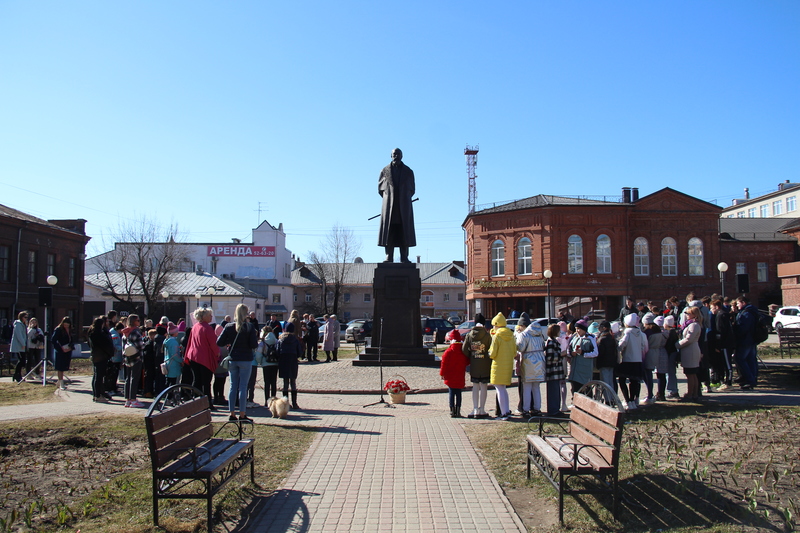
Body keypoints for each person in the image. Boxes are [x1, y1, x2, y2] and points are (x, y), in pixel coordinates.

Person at [217, 304, 259, 422]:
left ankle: (231, 413)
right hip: (245, 359)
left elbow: (219, 342)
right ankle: (242, 413)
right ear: (246, 314)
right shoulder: (249, 327)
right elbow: (253, 345)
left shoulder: (229, 327)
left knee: (232, 386)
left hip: (233, 359)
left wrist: (228, 343)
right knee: (243, 387)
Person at [378, 148, 416, 263]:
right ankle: (389, 255)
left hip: (404, 207)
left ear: (402, 156)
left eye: (398, 154)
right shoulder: (384, 171)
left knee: (404, 231)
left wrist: (403, 198)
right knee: (390, 231)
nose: (396, 156)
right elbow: (380, 190)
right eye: (394, 154)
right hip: (389, 207)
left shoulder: (408, 172)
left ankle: (404, 256)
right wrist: (390, 198)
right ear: (391, 155)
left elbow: (412, 190)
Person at [183, 308, 220, 405]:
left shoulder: (195, 326)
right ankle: (207, 403)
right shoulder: (207, 328)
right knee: (206, 382)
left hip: (194, 357)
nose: (211, 317)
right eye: (210, 315)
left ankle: (195, 401)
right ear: (204, 317)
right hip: (204, 358)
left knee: (197, 380)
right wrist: (217, 353)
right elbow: (213, 343)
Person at [515, 314, 546, 417]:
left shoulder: (524, 335)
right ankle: (537, 408)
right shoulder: (539, 333)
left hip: (528, 362)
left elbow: (521, 348)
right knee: (536, 387)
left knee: (527, 387)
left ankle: (526, 409)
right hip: (539, 361)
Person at [463, 313, 492, 419]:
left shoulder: (469, 335)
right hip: (485, 363)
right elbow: (491, 349)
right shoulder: (488, 335)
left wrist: (471, 355)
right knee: (484, 386)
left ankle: (475, 409)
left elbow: (464, 349)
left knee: (475, 386)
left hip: (474, 363)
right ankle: (482, 409)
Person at [488, 313, 515, 420]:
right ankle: (506, 410)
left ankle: (503, 413)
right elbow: (514, 351)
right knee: (503, 388)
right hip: (508, 364)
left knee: (499, 389)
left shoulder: (497, 336)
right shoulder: (511, 335)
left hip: (498, 365)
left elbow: (493, 352)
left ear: (497, 324)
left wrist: (489, 353)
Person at [617, 314, 647, 410]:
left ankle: (627, 400)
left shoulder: (627, 332)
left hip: (627, 359)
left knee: (622, 380)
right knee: (634, 381)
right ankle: (633, 400)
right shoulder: (640, 332)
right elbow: (643, 346)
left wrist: (618, 347)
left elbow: (622, 344)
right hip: (637, 360)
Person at [440, 329, 469, 418]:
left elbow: (444, 364)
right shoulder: (463, 351)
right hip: (460, 375)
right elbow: (467, 361)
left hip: (450, 376)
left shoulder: (448, 352)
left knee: (451, 393)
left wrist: (442, 373)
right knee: (459, 393)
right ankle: (458, 410)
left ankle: (452, 411)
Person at [678, 306, 704, 401]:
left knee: (691, 374)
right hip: (689, 350)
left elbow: (689, 339)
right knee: (691, 373)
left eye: (688, 313)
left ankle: (691, 394)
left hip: (691, 350)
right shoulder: (691, 324)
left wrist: (677, 345)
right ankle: (693, 393)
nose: (687, 315)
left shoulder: (694, 325)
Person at [734, 296, 759, 390]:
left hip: (745, 340)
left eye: (738, 303)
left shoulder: (746, 313)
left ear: (743, 303)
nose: (737, 305)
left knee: (739, 358)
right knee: (751, 359)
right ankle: (752, 378)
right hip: (752, 340)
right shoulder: (753, 311)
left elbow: (743, 328)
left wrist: (736, 331)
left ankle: (749, 379)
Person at [567, 320, 597, 397]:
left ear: (584, 329)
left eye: (579, 329)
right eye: (576, 328)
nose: (577, 331)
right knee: (575, 388)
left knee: (586, 388)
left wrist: (583, 353)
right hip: (574, 369)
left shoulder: (590, 338)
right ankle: (576, 404)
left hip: (585, 370)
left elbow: (595, 353)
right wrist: (571, 353)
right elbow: (568, 349)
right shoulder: (574, 338)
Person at [88, 316, 114, 403]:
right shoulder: (99, 334)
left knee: (96, 376)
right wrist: (110, 352)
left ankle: (96, 394)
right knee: (99, 377)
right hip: (101, 356)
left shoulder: (91, 333)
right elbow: (105, 345)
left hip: (95, 356)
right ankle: (98, 395)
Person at [543, 324, 567, 417]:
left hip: (556, 371)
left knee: (556, 390)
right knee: (553, 391)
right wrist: (561, 354)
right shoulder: (550, 342)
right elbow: (549, 358)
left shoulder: (554, 341)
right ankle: (553, 410)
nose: (559, 332)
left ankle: (556, 409)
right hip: (553, 371)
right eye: (558, 331)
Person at [122, 314, 145, 407]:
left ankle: (127, 399)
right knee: (135, 378)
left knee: (128, 378)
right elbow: (140, 345)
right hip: (136, 357)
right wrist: (144, 342)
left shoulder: (125, 332)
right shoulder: (135, 332)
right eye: (138, 320)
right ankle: (133, 399)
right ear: (134, 321)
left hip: (127, 357)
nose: (139, 322)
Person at [277, 322, 302, 409]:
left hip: (283, 362)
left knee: (285, 384)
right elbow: (299, 353)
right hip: (293, 362)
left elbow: (277, 351)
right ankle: (295, 403)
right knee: (293, 383)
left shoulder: (281, 340)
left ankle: (285, 403)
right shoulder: (295, 340)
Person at [642, 315, 666, 405]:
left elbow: (644, 343)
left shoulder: (648, 331)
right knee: (649, 374)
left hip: (649, 352)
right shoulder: (657, 330)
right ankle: (650, 394)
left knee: (647, 375)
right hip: (656, 352)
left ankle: (650, 395)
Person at [51, 316, 75, 391]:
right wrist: (60, 348)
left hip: (68, 350)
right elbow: (53, 340)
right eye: (65, 324)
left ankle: (59, 381)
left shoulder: (70, 330)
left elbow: (71, 339)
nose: (66, 325)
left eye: (68, 324)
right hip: (60, 351)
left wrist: (71, 345)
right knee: (60, 367)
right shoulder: (58, 329)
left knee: (64, 366)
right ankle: (61, 383)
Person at [258, 325, 279, 404]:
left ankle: (267, 401)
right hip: (275, 363)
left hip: (266, 363)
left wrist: (260, 362)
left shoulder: (263, 342)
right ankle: (273, 400)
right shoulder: (276, 341)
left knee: (266, 383)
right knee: (273, 382)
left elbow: (258, 354)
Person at [595, 320, 618, 391]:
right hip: (612, 362)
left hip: (603, 363)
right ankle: (612, 399)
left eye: (600, 327)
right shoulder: (612, 338)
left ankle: (608, 400)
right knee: (610, 382)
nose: (599, 329)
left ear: (604, 328)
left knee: (605, 383)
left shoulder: (602, 339)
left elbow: (600, 352)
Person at [11, 311, 30, 383]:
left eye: (27, 317)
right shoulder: (18, 324)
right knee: (21, 361)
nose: (26, 319)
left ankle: (18, 374)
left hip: (23, 345)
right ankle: (17, 375)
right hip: (19, 346)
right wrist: (23, 344)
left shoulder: (24, 324)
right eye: (25, 317)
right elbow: (19, 335)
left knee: (23, 361)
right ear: (21, 317)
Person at [107, 322, 124, 396]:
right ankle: (111, 389)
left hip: (115, 357)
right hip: (115, 358)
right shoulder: (115, 335)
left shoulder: (113, 333)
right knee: (113, 375)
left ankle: (113, 388)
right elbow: (115, 346)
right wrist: (123, 348)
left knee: (114, 375)